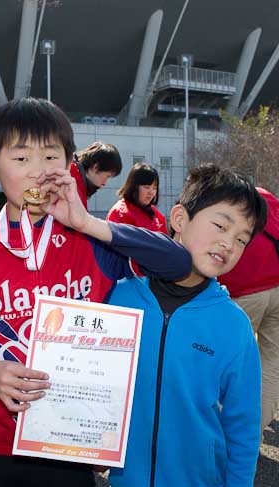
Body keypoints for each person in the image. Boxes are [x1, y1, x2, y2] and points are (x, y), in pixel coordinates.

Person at [0, 97, 191, 487]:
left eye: (51, 158)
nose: (38, 173)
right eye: (21, 160)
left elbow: (178, 264)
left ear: (71, 163)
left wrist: (87, 222)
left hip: (73, 446)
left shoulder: (94, 243)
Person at [108, 164, 267, 487]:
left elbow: (243, 426)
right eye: (221, 226)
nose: (228, 244)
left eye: (241, 239)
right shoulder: (119, 299)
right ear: (179, 219)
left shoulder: (234, 325)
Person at [218, 187, 279, 432]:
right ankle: (255, 431)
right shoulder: (271, 201)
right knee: (271, 364)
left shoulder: (231, 203)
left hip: (245, 293)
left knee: (230, 364)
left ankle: (231, 433)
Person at [107, 162, 167, 234]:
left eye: (154, 188)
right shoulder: (121, 213)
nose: (151, 192)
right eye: (146, 187)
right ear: (133, 187)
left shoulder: (157, 216)